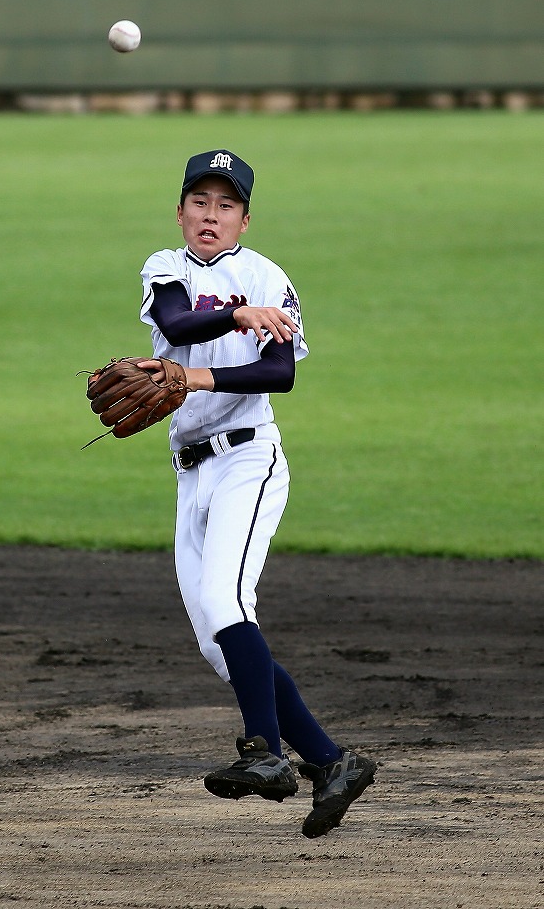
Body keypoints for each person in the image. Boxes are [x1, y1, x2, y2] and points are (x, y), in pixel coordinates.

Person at [138, 149, 377, 839]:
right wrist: (240, 321)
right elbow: (180, 329)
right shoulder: (165, 267)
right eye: (199, 202)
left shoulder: (269, 277)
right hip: (190, 470)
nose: (210, 216)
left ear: (244, 218)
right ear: (181, 211)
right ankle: (333, 761)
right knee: (220, 644)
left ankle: (267, 755)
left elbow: (280, 375)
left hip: (250, 463)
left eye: (225, 205)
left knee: (227, 603)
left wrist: (199, 378)